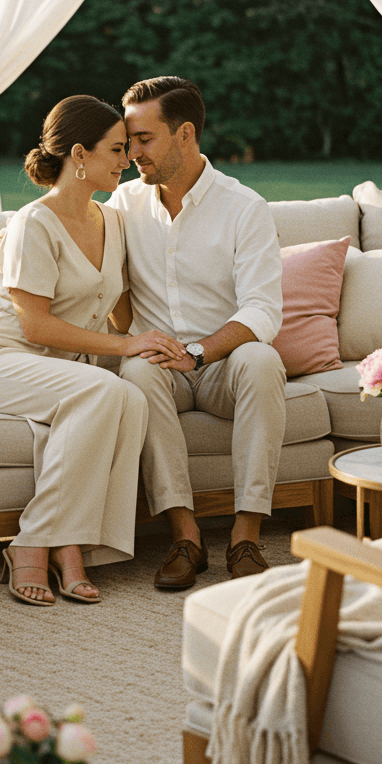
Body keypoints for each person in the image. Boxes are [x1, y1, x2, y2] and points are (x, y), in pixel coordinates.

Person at [0, 95, 185, 606]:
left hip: (61, 372)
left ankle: (72, 547)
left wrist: (153, 343)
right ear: (79, 153)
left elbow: (117, 308)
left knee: (130, 396)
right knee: (104, 389)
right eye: (117, 149)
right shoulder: (33, 222)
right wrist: (126, 344)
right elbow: (35, 326)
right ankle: (36, 542)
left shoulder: (112, 221)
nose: (127, 160)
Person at [108, 76, 286, 590]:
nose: (131, 152)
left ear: (185, 134)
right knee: (136, 372)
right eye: (129, 139)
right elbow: (112, 302)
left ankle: (245, 536)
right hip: (158, 364)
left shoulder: (243, 207)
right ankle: (186, 538)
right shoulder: (122, 205)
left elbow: (263, 311)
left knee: (263, 359)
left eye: (144, 139)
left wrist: (200, 351)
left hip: (220, 365)